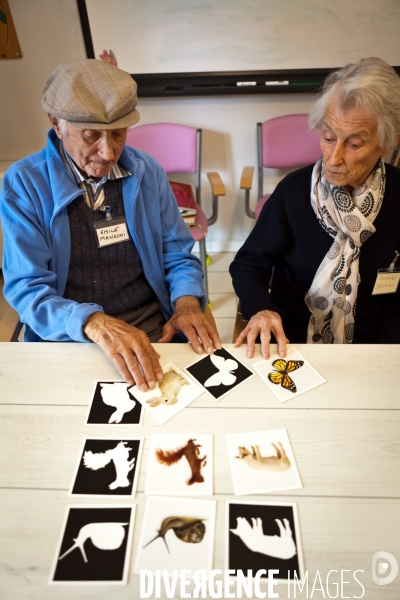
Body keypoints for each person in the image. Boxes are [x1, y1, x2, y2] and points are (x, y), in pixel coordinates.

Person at [0, 59, 221, 389]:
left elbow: (176, 254)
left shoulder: (148, 170)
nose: (107, 152)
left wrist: (187, 302)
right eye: (91, 136)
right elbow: (27, 289)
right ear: (56, 125)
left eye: (118, 134)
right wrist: (93, 322)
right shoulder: (24, 183)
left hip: (152, 325)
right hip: (72, 334)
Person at [230, 57, 400, 359]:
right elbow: (248, 264)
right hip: (292, 345)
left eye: (354, 144)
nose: (333, 159)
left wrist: (385, 357)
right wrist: (261, 309)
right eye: (328, 137)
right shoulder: (293, 193)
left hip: (377, 348)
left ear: (387, 142)